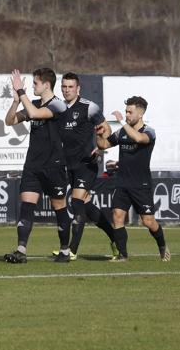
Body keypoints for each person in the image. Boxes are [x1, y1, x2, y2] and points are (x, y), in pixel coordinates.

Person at [4, 68, 73, 263]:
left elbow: (34, 114)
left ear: (46, 85)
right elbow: (9, 121)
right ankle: (21, 250)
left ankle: (65, 251)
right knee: (26, 206)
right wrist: (17, 100)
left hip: (54, 165)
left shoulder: (59, 105)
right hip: (33, 165)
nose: (32, 86)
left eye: (35, 83)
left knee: (59, 206)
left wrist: (20, 91)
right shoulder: (32, 103)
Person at [96, 96, 170, 262]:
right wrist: (99, 135)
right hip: (122, 182)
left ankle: (162, 245)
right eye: (126, 112)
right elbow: (104, 145)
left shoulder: (149, 131)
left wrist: (121, 122)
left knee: (148, 221)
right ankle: (123, 255)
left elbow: (138, 139)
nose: (127, 115)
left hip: (141, 184)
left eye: (130, 112)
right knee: (117, 215)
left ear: (140, 114)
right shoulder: (123, 132)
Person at [54, 72, 117, 260]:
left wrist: (100, 148)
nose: (67, 90)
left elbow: (107, 130)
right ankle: (115, 238)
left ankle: (71, 250)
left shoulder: (89, 107)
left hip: (86, 165)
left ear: (78, 88)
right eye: (64, 87)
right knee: (88, 207)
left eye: (70, 87)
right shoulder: (58, 107)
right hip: (68, 165)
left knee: (76, 202)